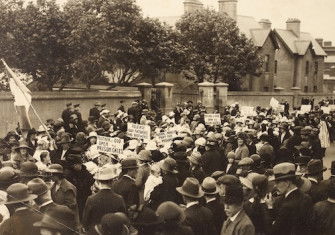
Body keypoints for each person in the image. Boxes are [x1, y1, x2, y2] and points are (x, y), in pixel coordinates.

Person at [270, 162, 313, 235]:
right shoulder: (307, 197)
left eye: (277, 182)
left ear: (287, 183)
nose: (275, 186)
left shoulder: (286, 206)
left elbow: (274, 231)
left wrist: (270, 207)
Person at [82, 166, 126, 232]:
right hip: (113, 231)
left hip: (96, 232)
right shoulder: (119, 198)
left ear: (99, 182)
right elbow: (123, 218)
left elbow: (85, 220)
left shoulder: (91, 199)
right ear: (112, 182)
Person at [66, 154, 94, 219]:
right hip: (76, 197)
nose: (75, 166)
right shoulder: (69, 173)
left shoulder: (84, 170)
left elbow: (91, 180)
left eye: (77, 164)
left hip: (85, 196)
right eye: (74, 165)